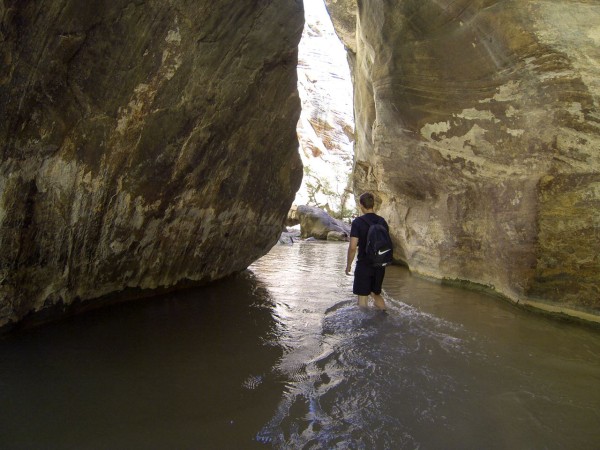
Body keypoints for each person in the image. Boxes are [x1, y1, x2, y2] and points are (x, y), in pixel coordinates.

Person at [345, 192, 389, 311]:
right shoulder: (382, 222)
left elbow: (353, 247)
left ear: (361, 205)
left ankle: (364, 324)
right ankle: (384, 316)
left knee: (363, 298)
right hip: (380, 264)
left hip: (364, 264)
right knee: (376, 294)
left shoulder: (358, 222)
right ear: (373, 204)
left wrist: (348, 265)